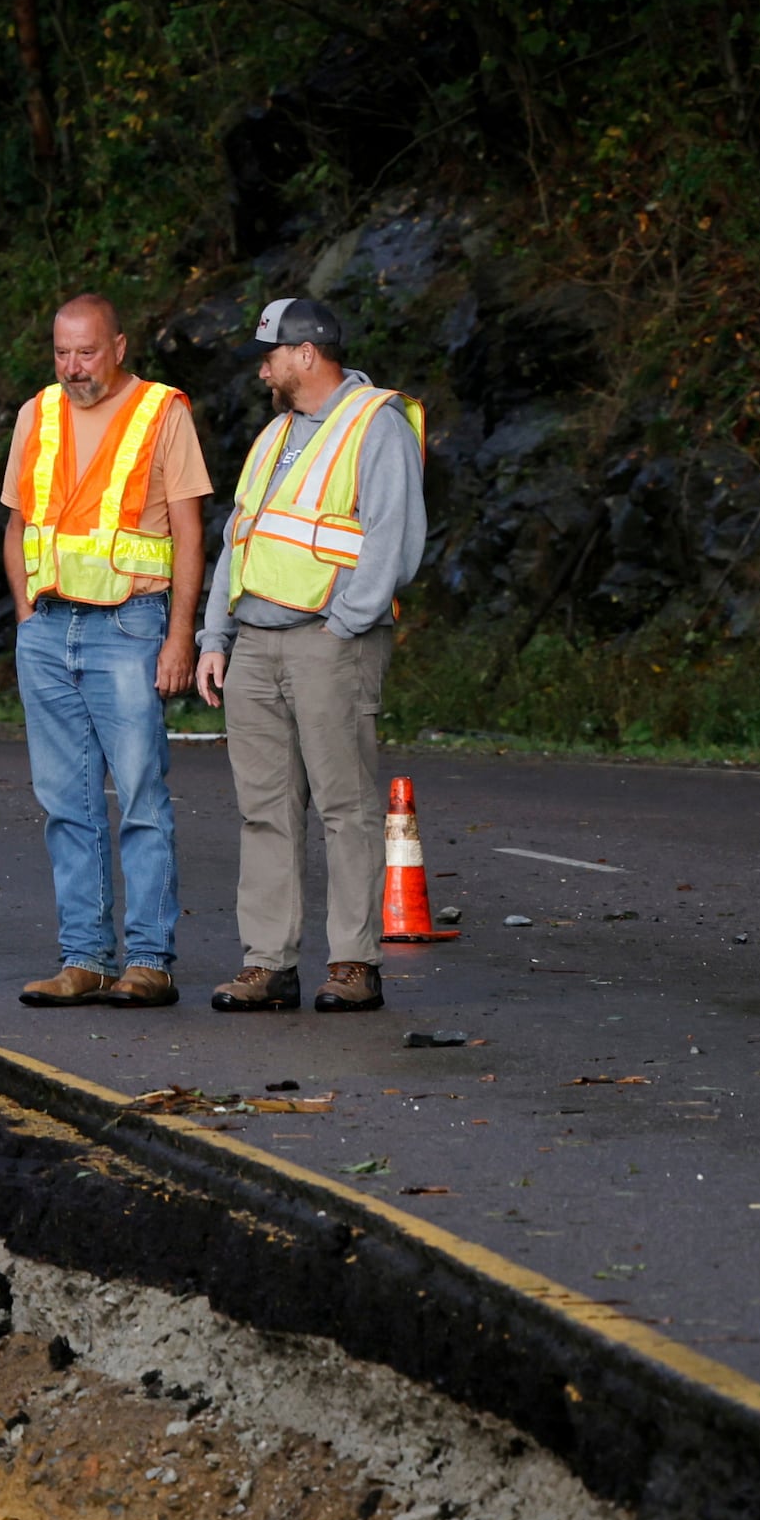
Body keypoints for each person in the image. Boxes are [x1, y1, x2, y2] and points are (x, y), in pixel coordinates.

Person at [196, 297, 428, 1013]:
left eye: (269, 353)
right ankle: (269, 963)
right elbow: (240, 538)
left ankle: (354, 962)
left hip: (331, 640)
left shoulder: (375, 424)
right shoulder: (273, 436)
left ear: (307, 354)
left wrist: (345, 624)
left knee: (345, 806)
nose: (261, 367)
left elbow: (393, 537)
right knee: (264, 809)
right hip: (256, 643)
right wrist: (216, 636)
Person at [0, 293, 211, 1009]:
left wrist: (181, 634)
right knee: (66, 801)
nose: (73, 366)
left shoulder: (160, 412)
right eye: (61, 352)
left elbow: (188, 531)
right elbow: (18, 526)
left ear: (119, 346)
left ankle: (148, 960)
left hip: (130, 626)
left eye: (86, 351)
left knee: (142, 796)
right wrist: (28, 617)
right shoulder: (38, 414)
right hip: (49, 630)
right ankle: (84, 957)